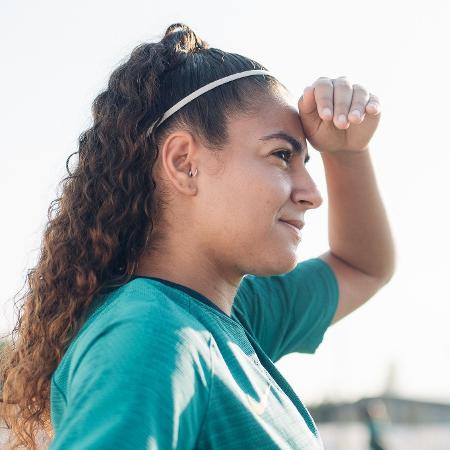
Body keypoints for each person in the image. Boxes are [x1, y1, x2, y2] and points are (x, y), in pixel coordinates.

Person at [0, 22, 395, 450]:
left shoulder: (232, 317)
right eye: (282, 156)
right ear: (185, 162)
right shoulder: (153, 334)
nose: (312, 195)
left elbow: (363, 265)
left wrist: (346, 151)